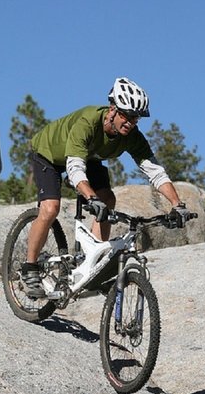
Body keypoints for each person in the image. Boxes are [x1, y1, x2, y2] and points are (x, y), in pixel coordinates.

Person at [22, 77, 192, 298]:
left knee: (108, 200)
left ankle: (90, 262)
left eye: (135, 118)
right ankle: (29, 267)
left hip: (88, 157)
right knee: (50, 208)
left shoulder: (132, 137)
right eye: (126, 115)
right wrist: (90, 197)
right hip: (49, 154)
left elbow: (155, 171)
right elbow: (74, 168)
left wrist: (177, 204)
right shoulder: (88, 122)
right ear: (113, 109)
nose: (130, 122)